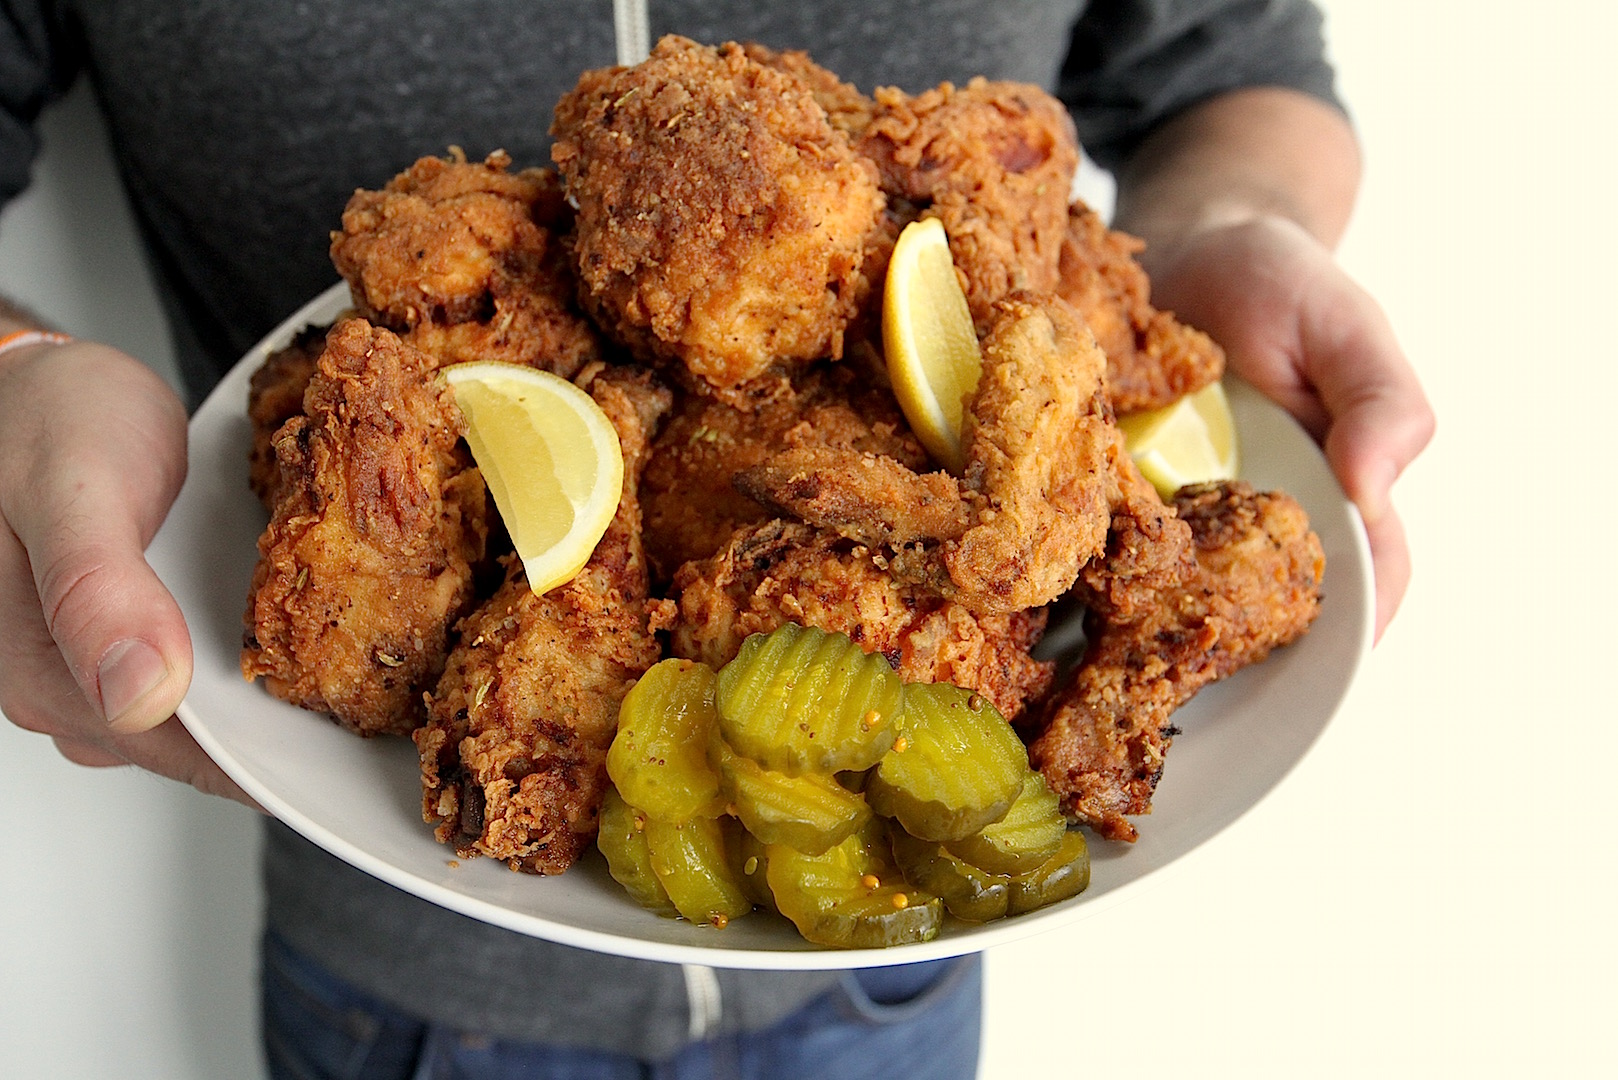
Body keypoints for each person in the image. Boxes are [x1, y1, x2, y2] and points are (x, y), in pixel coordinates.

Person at [0, 2, 1433, 1077]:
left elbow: (1237, 75)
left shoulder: (985, 325)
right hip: (391, 984)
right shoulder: (478, 334)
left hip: (893, 977)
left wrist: (1241, 220)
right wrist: (16, 374)